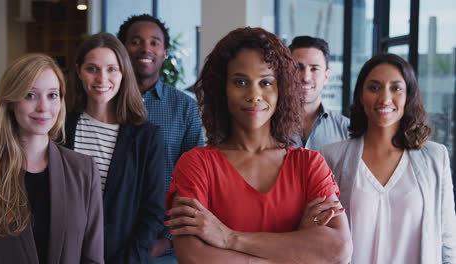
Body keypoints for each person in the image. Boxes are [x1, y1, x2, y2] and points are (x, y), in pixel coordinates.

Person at [165, 27, 352, 263]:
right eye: (240, 82)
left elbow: (338, 249)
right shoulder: (196, 165)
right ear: (222, 89)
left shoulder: (309, 165)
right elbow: (194, 256)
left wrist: (229, 238)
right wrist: (298, 247)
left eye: (266, 83)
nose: (253, 95)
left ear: (282, 89)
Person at [320, 53, 456, 263]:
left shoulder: (436, 158)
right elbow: (321, 236)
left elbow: (448, 240)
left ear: (408, 95)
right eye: (374, 87)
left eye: (396, 88)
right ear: (360, 96)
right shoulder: (331, 157)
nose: (384, 98)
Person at [0, 53, 104, 263]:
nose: (43, 107)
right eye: (30, 95)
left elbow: (92, 257)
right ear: (11, 101)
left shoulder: (83, 169)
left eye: (52, 95)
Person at [64, 33, 165, 263]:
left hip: (123, 258)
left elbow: (153, 212)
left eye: (111, 69)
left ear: (123, 73)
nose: (102, 79)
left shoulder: (146, 137)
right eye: (92, 69)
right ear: (79, 71)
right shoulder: (60, 129)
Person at [117, 13, 204, 262]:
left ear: (164, 52)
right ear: (121, 49)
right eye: (136, 41)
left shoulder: (185, 108)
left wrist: (167, 238)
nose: (146, 48)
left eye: (155, 42)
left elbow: (193, 184)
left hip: (164, 247)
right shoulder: (105, 103)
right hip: (109, 239)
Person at [289, 36, 349, 150]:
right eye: (298, 68)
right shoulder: (267, 127)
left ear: (326, 76)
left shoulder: (346, 130)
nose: (306, 78)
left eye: (314, 69)